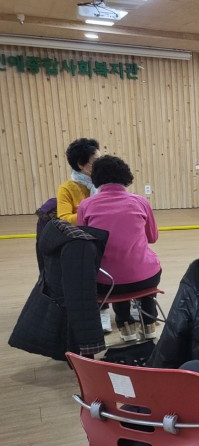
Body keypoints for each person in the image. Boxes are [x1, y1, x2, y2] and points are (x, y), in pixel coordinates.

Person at [77, 155, 162, 343]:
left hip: (107, 282)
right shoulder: (141, 202)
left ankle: (125, 326)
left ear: (96, 178)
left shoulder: (86, 205)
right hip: (145, 278)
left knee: (116, 281)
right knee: (147, 269)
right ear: (126, 176)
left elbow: (84, 245)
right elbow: (153, 238)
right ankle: (149, 323)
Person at [57, 137, 110, 332]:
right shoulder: (67, 189)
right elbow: (63, 218)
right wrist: (90, 214)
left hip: (107, 236)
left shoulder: (106, 183)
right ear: (81, 164)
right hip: (83, 240)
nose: (101, 163)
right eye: (96, 161)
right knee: (92, 269)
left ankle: (132, 306)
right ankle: (102, 310)